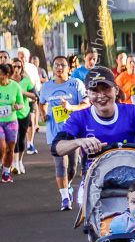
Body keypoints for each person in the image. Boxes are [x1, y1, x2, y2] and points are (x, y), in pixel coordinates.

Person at [52, 67, 135, 176]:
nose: (101, 95)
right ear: (88, 94)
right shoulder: (78, 117)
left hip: (132, 180)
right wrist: (79, 142)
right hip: (94, 180)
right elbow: (57, 148)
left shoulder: (134, 112)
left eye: (106, 88)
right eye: (94, 90)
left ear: (116, 90)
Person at [39, 56, 89, 210]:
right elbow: (41, 102)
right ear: (52, 68)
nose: (59, 68)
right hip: (55, 132)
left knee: (72, 167)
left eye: (62, 65)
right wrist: (43, 114)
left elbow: (86, 104)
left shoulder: (76, 84)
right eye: (56, 65)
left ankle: (67, 185)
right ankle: (65, 198)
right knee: (60, 164)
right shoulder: (46, 87)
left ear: (69, 68)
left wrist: (71, 108)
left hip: (73, 132)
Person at [9, 59, 38, 174]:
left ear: (22, 68)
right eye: (14, 67)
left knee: (21, 139)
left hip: (24, 113)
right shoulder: (7, 81)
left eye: (18, 67)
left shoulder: (26, 81)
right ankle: (14, 163)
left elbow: (35, 96)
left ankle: (19, 161)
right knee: (14, 139)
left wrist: (22, 92)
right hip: (11, 115)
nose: (16, 69)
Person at [0, 63, 26, 183]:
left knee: (10, 148)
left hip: (11, 121)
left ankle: (6, 172)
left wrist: (17, 106)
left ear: (7, 75)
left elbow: (21, 103)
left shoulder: (15, 86)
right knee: (1, 146)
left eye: (0, 75)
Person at [16, 49, 41, 155]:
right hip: (20, 100)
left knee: (31, 121)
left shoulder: (32, 67)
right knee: (24, 123)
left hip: (31, 97)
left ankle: (30, 143)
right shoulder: (14, 68)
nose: (22, 58)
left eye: (24, 56)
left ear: (28, 57)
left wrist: (36, 91)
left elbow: (36, 80)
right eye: (20, 56)